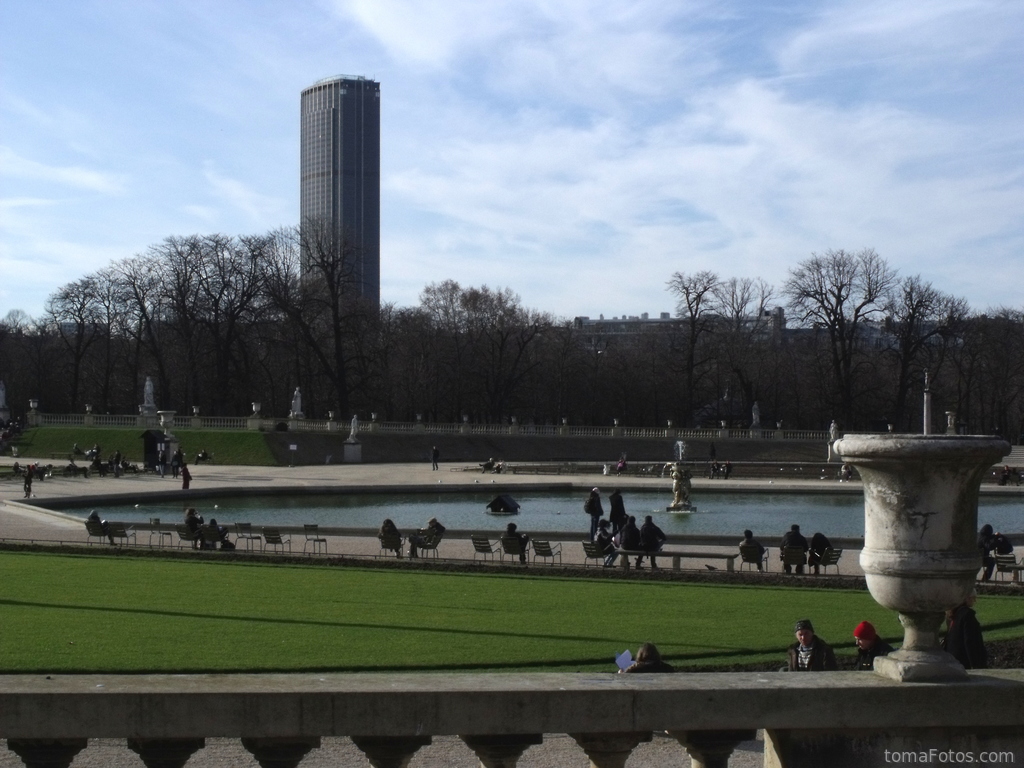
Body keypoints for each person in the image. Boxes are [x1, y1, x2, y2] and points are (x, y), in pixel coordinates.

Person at [942, 591, 987, 669]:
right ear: (966, 599)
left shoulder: (953, 614)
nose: (975, 601)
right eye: (973, 598)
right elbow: (970, 641)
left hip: (954, 659)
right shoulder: (967, 615)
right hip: (964, 661)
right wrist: (975, 664)